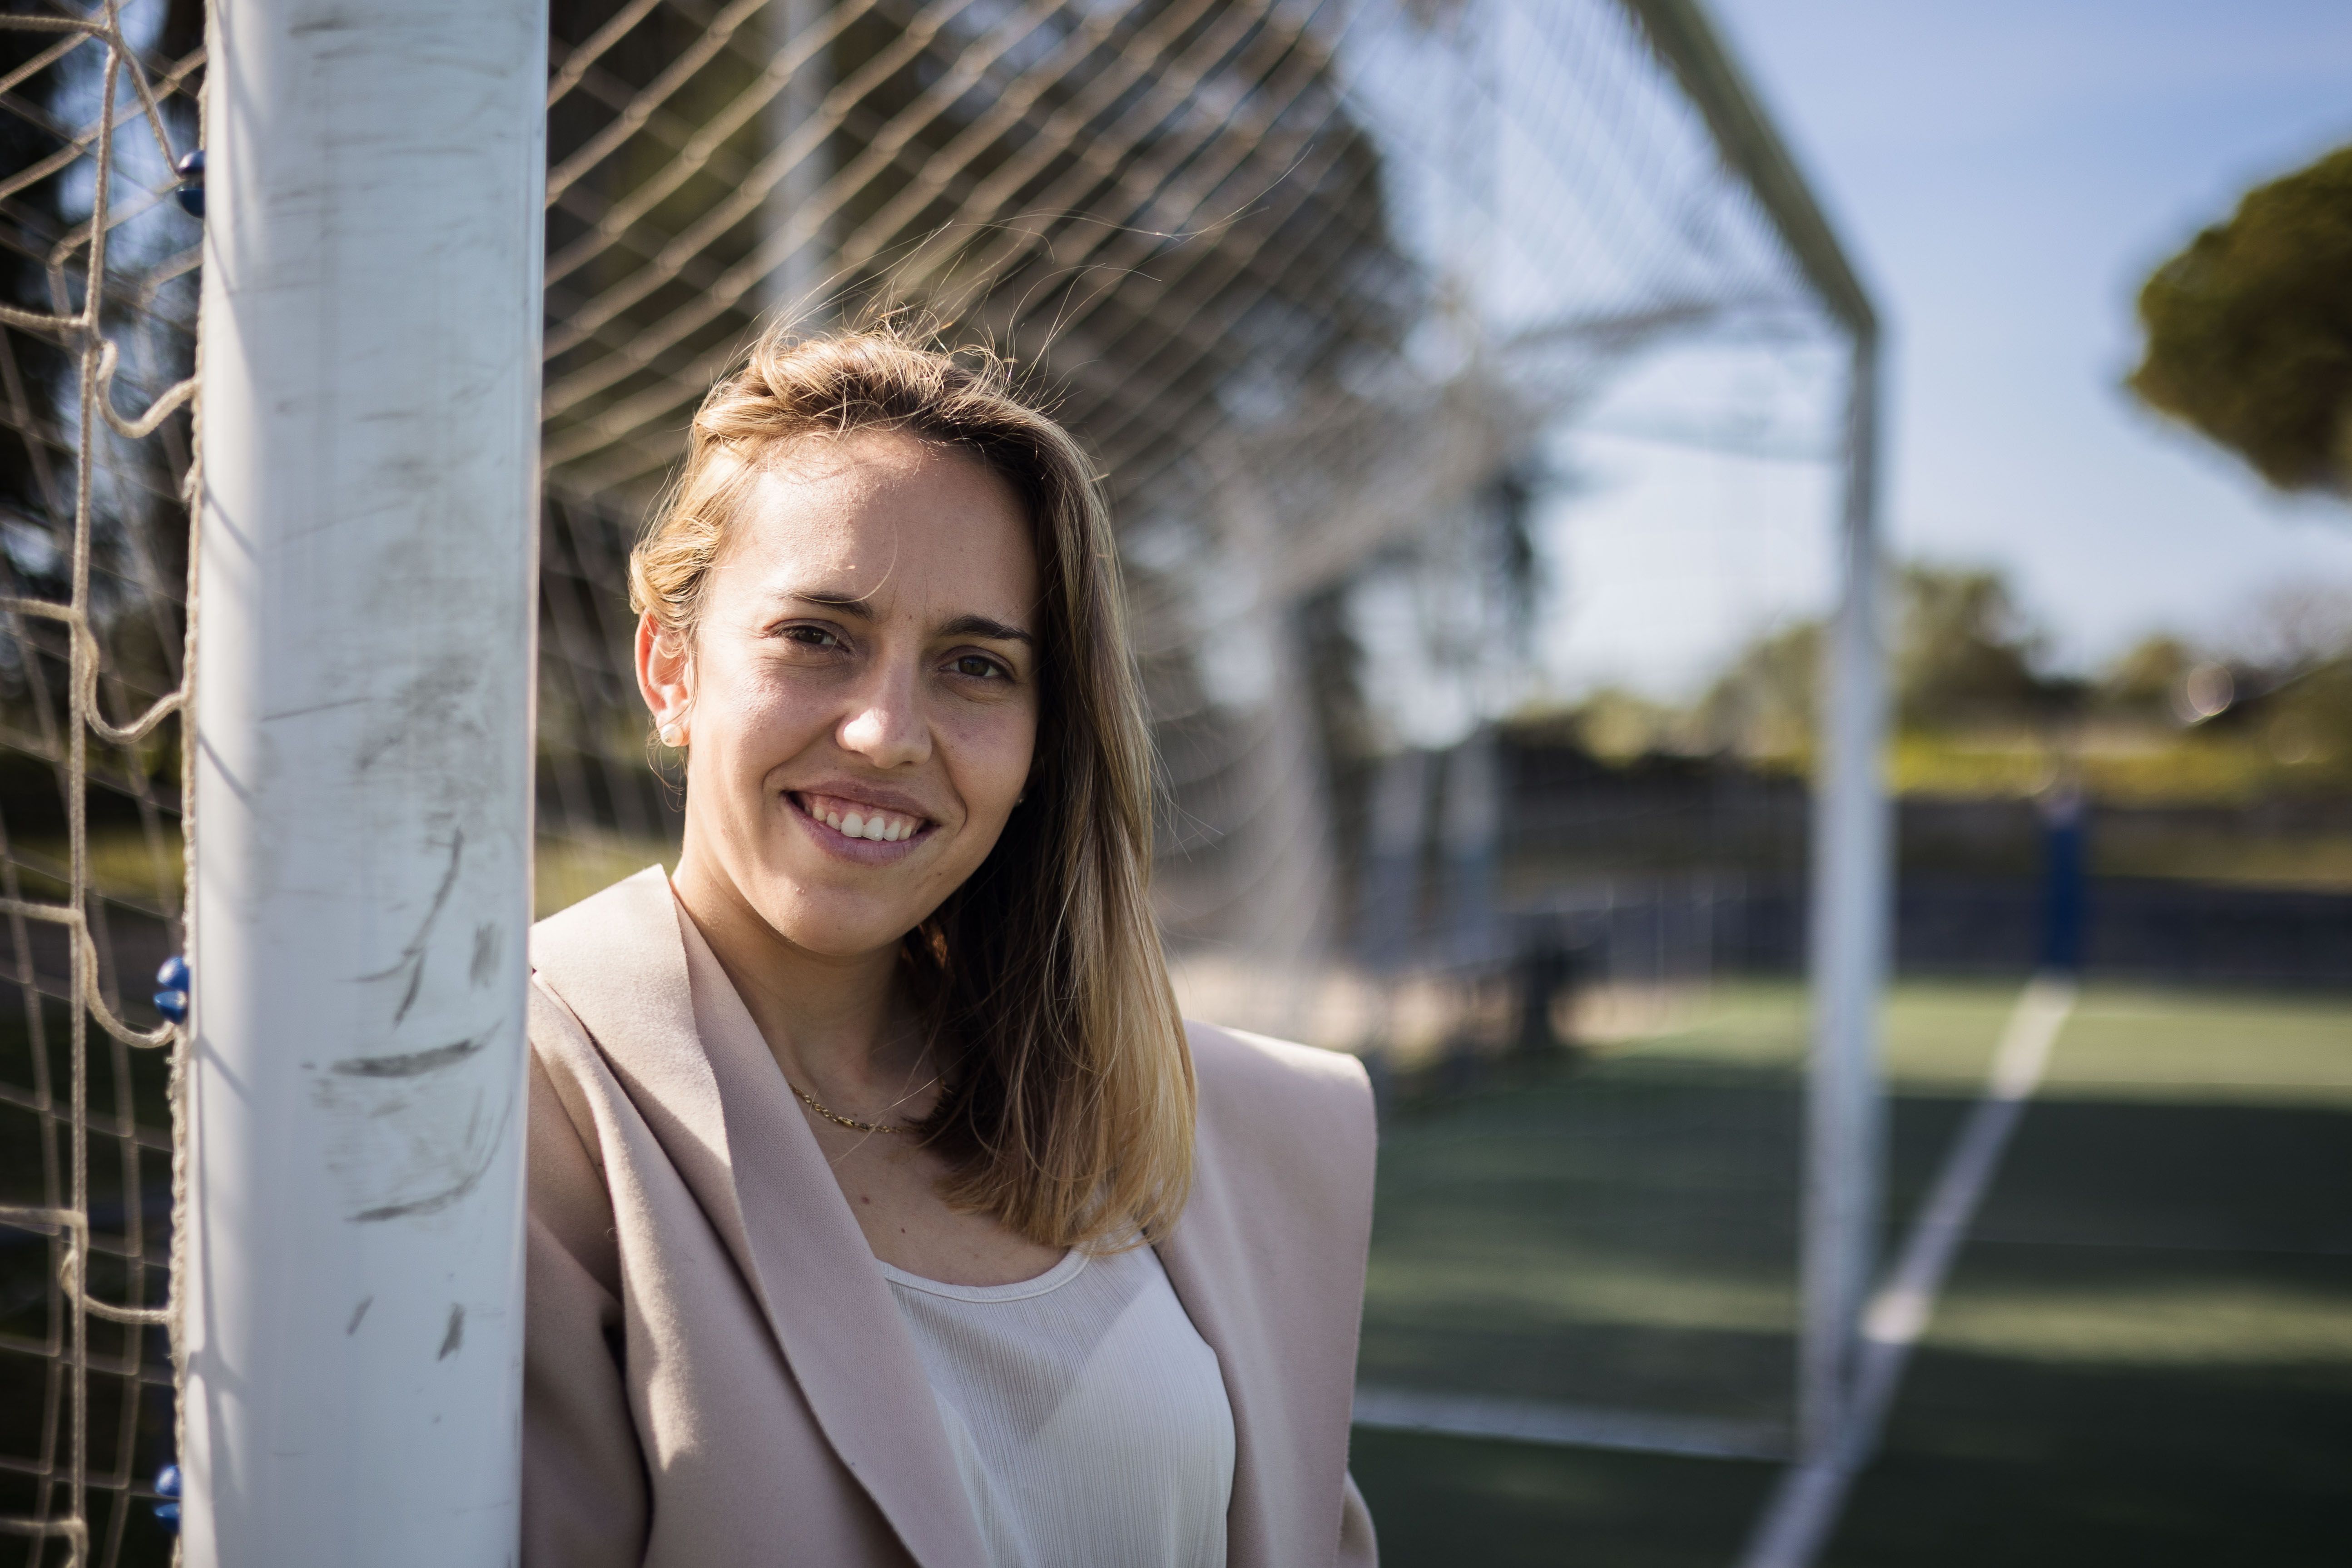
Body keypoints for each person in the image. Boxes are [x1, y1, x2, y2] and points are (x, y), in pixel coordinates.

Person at [521, 321, 1379, 1568]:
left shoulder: (1188, 1127)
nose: (886, 730)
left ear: (1043, 740)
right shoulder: (507, 1103)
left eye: (975, 664)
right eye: (817, 635)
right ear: (670, 666)